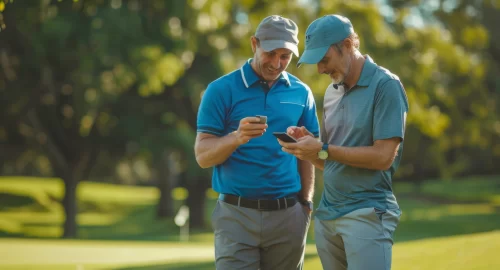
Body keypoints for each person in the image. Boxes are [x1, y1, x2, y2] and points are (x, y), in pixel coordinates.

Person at [278, 14, 409, 270]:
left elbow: (384, 157)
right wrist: (308, 149)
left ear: (348, 45)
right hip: (328, 217)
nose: (320, 69)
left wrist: (323, 148)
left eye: (324, 60)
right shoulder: (331, 93)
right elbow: (331, 160)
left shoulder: (386, 86)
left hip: (367, 214)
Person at [194, 15, 320, 270]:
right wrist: (236, 137)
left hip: (288, 217)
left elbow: (309, 152)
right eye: (271, 53)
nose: (277, 63)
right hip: (236, 216)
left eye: (285, 56)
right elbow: (202, 156)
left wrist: (305, 204)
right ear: (254, 44)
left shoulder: (301, 93)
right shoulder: (220, 90)